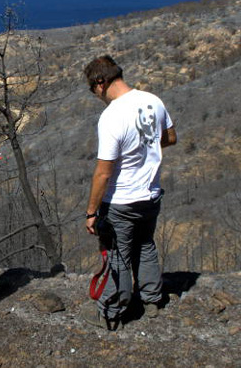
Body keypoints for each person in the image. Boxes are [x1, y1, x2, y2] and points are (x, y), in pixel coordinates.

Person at [81, 55, 177, 330]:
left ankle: (112, 313)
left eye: (93, 89)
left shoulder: (112, 116)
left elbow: (103, 172)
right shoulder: (153, 100)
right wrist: (143, 147)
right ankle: (151, 299)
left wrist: (91, 212)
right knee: (145, 245)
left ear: (100, 83)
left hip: (121, 200)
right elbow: (170, 137)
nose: (95, 95)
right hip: (151, 194)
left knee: (118, 255)